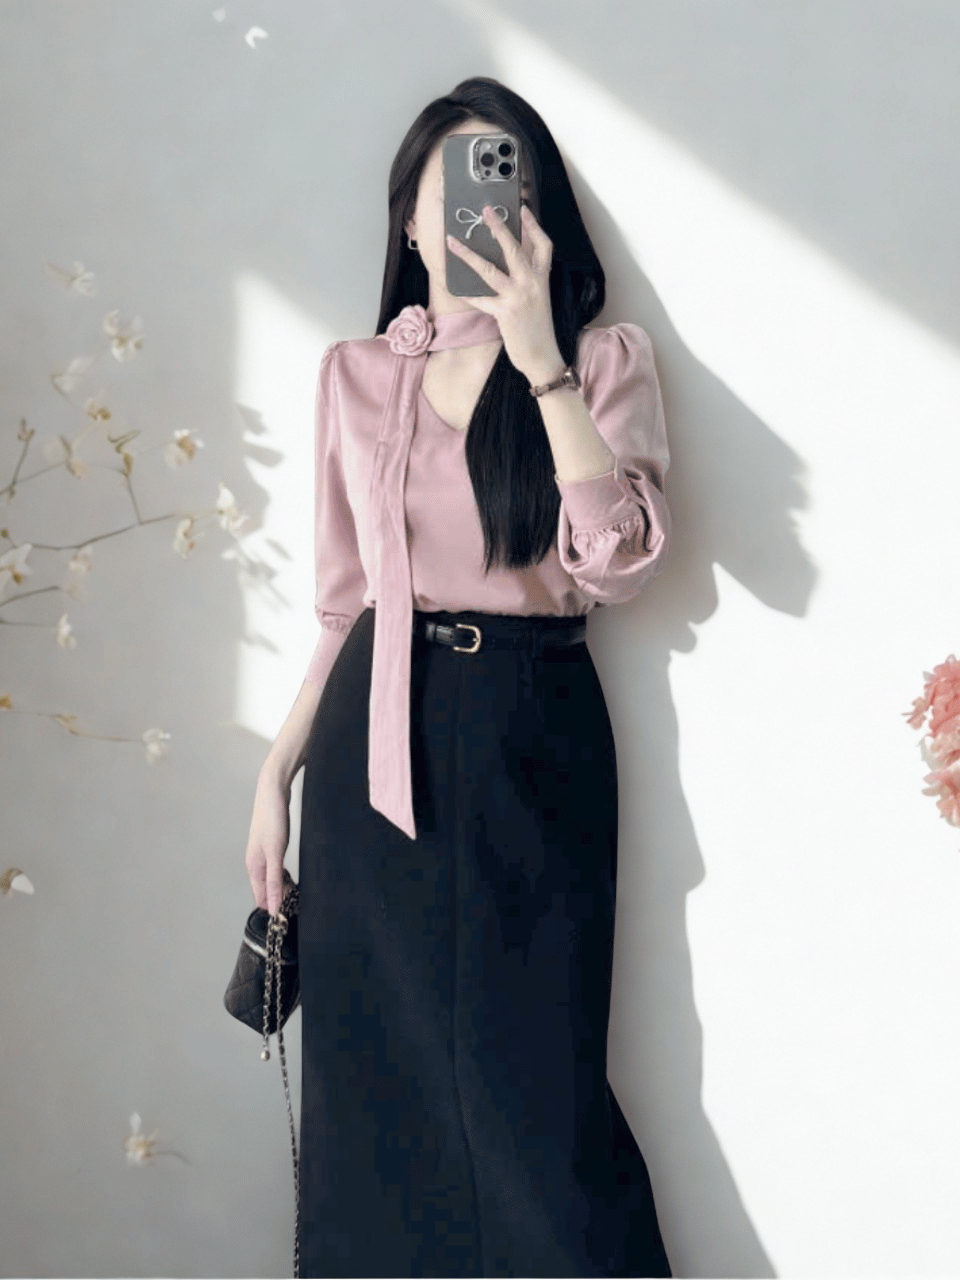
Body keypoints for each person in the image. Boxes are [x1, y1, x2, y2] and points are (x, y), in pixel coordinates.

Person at [245, 75, 673, 1278]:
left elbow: (619, 562)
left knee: (533, 1083)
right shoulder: (354, 374)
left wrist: (542, 362)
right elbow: (346, 603)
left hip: (529, 726)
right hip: (368, 740)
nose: (487, 212)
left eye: (510, 186)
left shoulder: (599, 359)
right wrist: (276, 773)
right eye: (460, 191)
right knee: (372, 1087)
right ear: (413, 222)